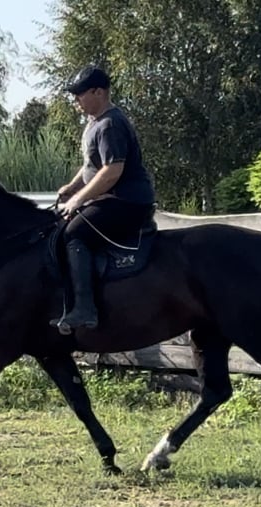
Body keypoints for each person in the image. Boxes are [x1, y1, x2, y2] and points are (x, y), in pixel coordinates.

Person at [53, 65, 156, 332]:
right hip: (110, 199)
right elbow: (92, 165)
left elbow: (112, 171)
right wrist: (72, 187)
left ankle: (86, 310)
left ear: (98, 92)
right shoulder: (94, 123)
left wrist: (78, 200)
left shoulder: (110, 124)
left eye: (80, 94)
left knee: (73, 234)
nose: (76, 100)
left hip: (127, 202)